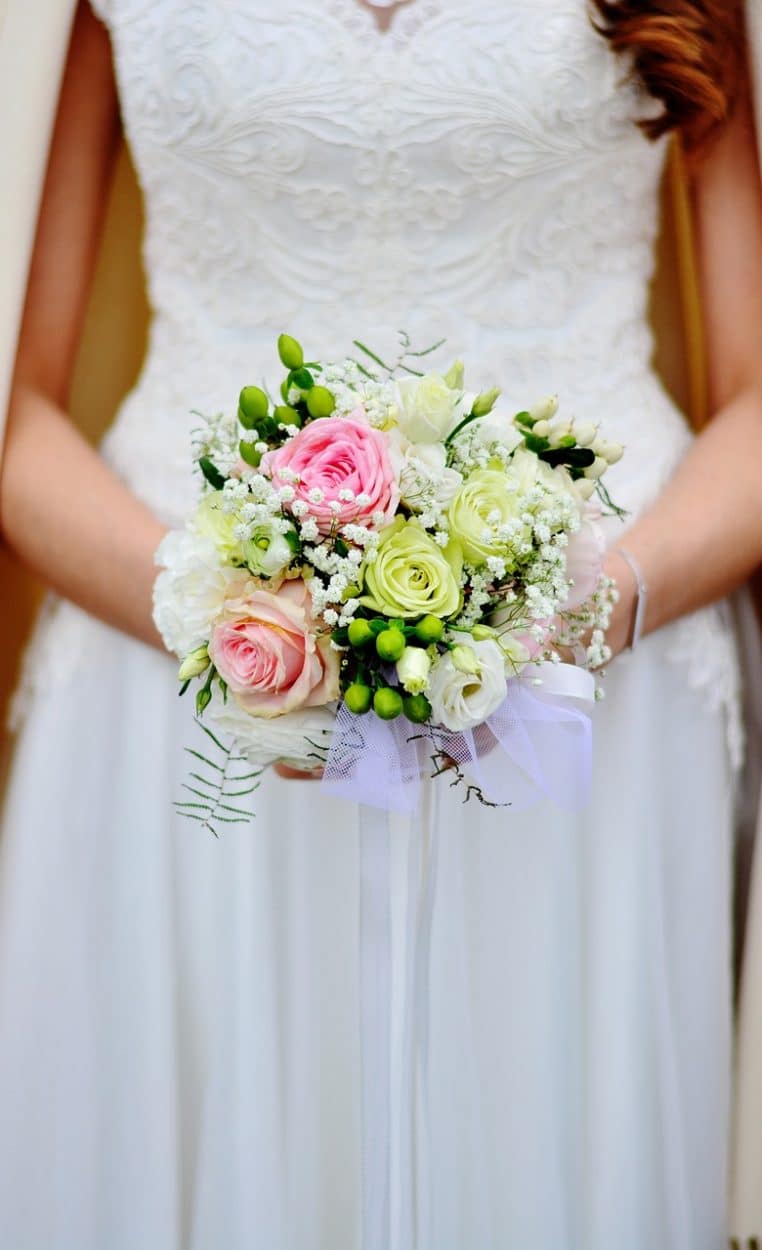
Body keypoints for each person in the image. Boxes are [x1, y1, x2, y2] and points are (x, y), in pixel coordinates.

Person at [0, 1, 761, 1246]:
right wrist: (222, 612)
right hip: (181, 689)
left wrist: (594, 604)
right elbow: (13, 414)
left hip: (589, 706)